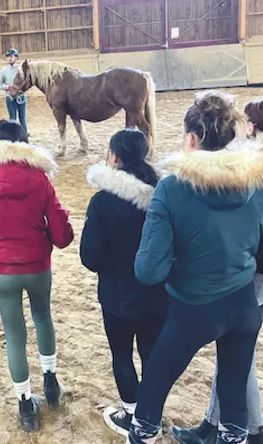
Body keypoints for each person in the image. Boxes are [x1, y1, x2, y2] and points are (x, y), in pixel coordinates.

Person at [127, 91, 263, 444]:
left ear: (191, 139)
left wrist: (181, 265)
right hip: (242, 304)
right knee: (234, 397)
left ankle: (142, 434)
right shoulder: (262, 181)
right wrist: (243, 254)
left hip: (192, 308)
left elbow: (148, 270)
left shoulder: (171, 189)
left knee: (155, 387)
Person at [173, 96, 263, 444]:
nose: (245, 129)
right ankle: (212, 424)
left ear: (257, 125)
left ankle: (253, 431)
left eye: (249, 123)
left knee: (239, 358)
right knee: (235, 353)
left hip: (258, 274)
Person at [0, 119, 74, 433]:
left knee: (13, 334)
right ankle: (50, 380)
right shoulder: (41, 180)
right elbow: (63, 235)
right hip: (37, 265)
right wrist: (50, 232)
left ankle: (24, 402)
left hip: (2, 271)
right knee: (43, 318)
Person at [79, 128, 167, 438]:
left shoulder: (102, 202)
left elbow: (90, 257)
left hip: (118, 294)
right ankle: (152, 413)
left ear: (114, 157)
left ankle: (131, 414)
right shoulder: (164, 194)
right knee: (152, 354)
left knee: (122, 355)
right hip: (158, 293)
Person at [0, 48, 27, 133]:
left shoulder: (20, 69)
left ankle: (24, 136)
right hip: (10, 97)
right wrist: (8, 87)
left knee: (22, 119)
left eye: (12, 56)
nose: (10, 58)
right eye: (8, 57)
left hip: (20, 97)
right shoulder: (3, 71)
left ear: (16, 58)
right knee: (12, 119)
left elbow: (26, 81)